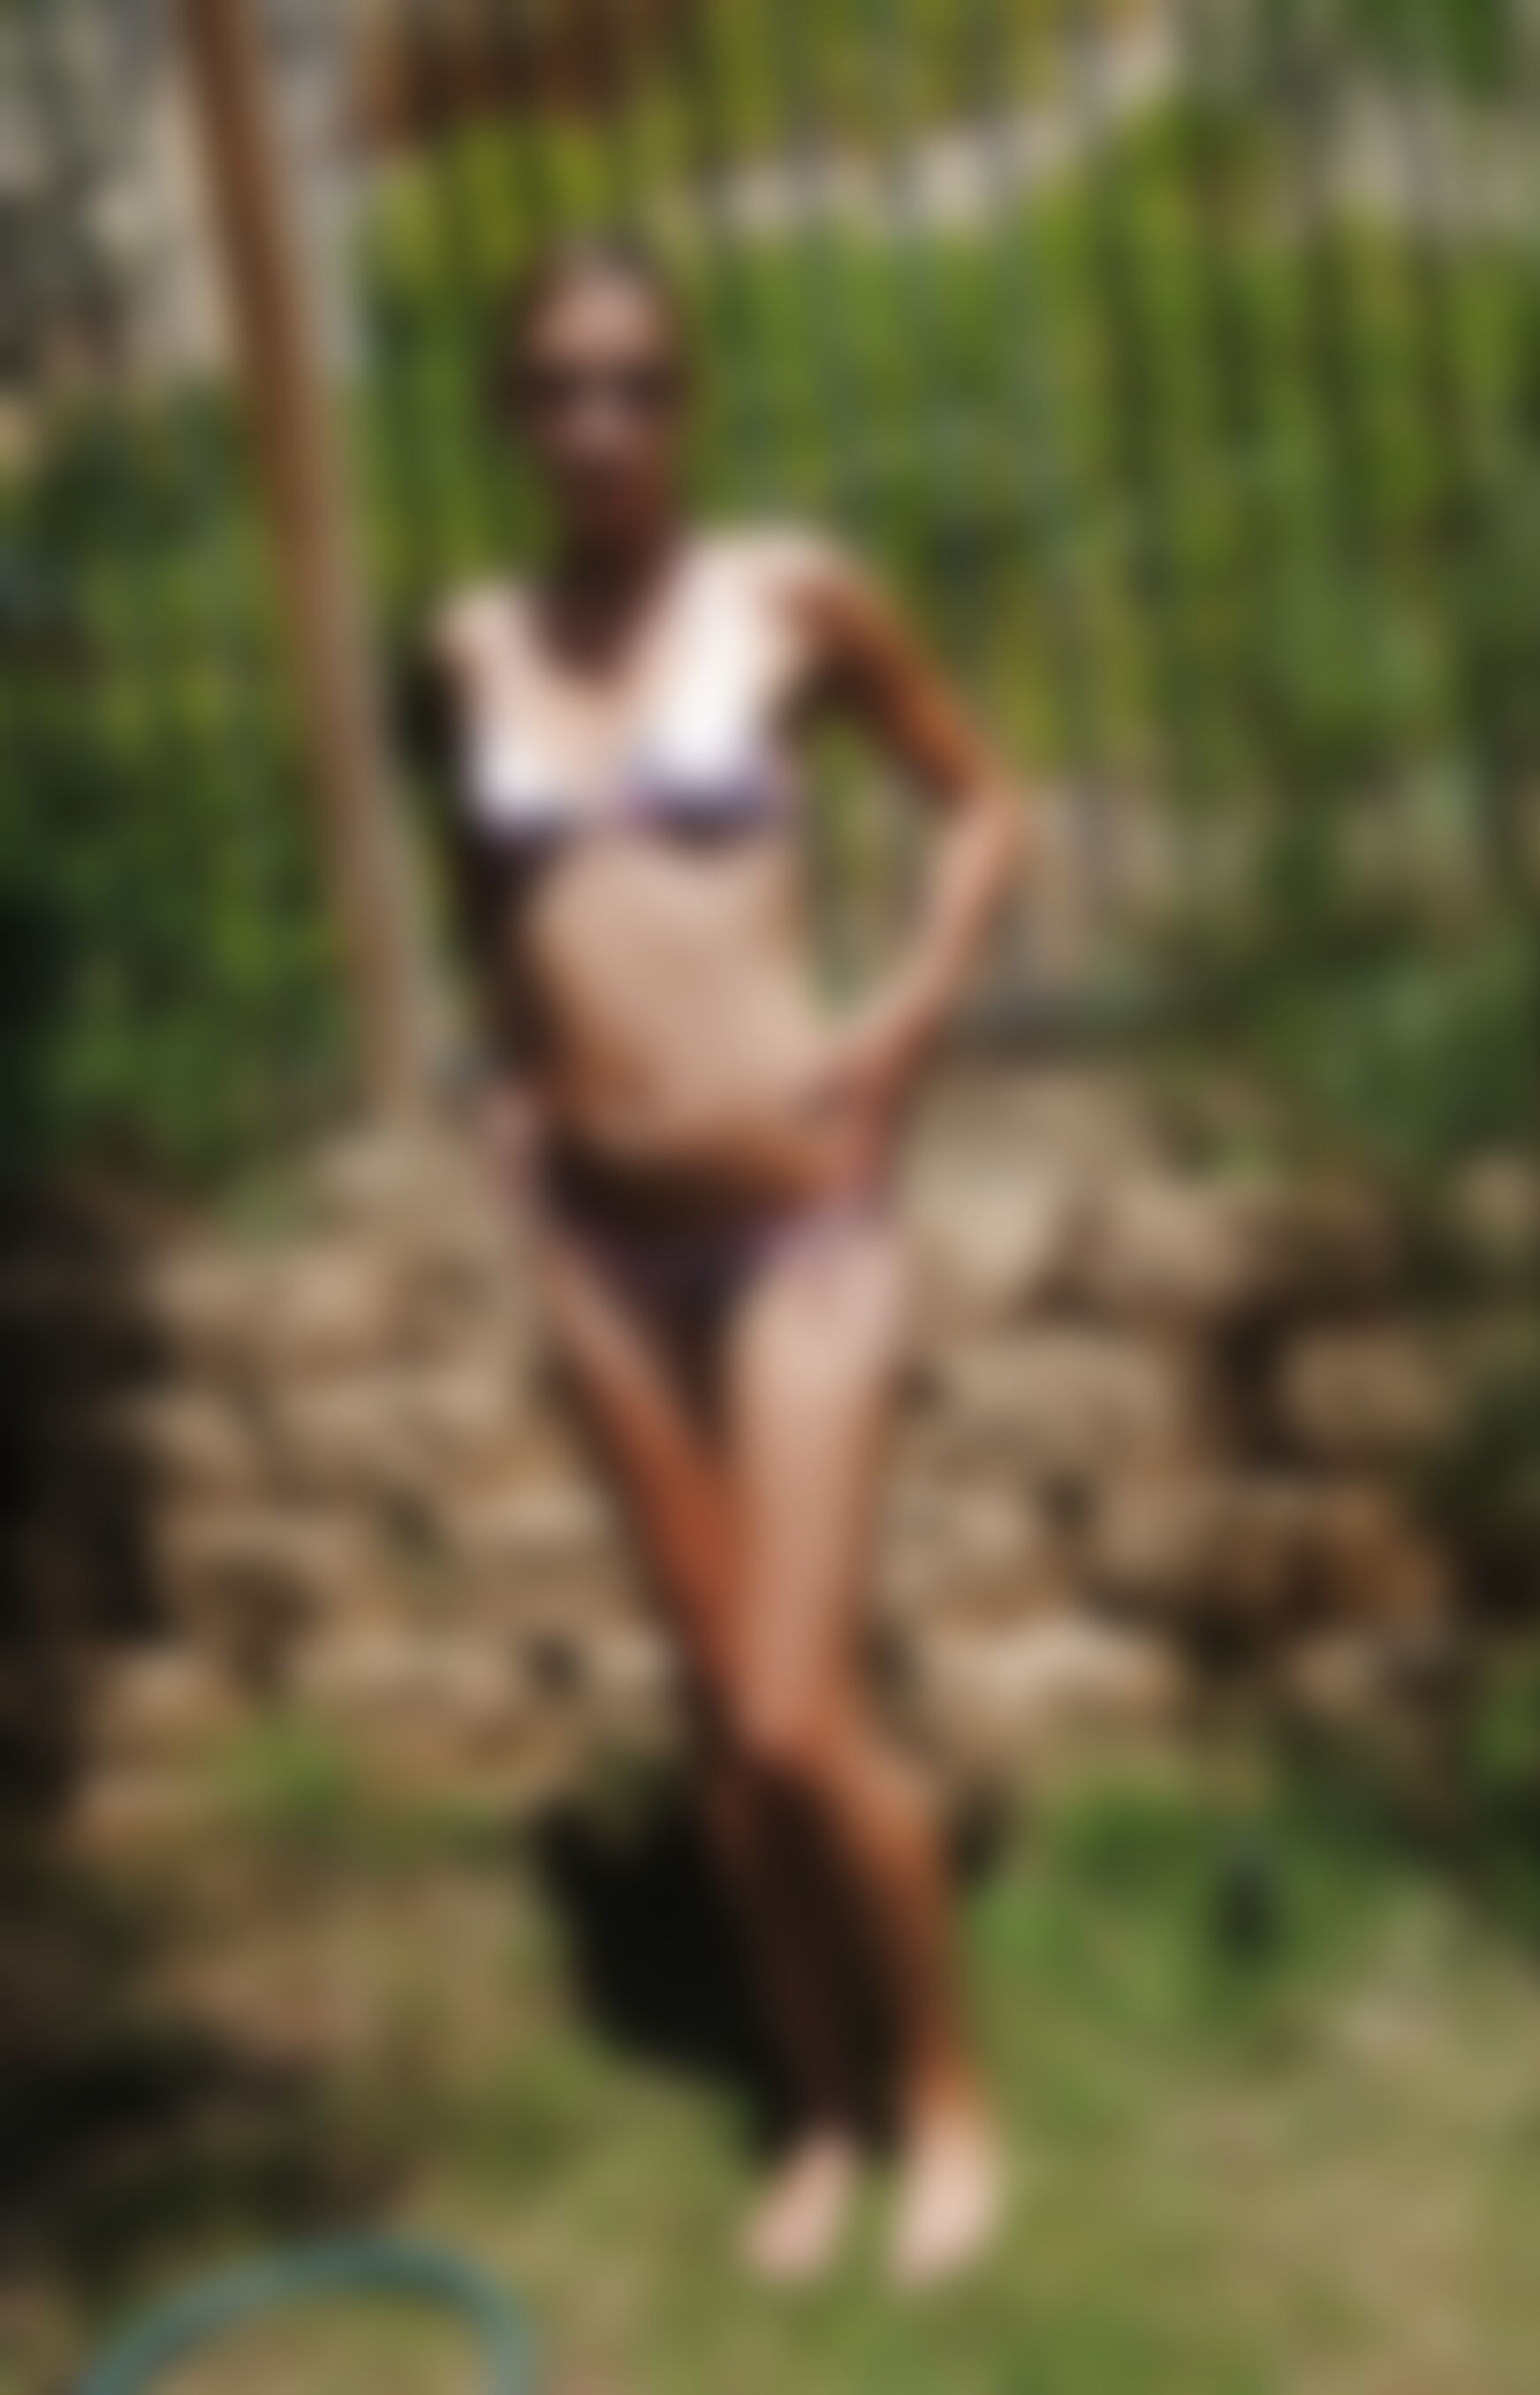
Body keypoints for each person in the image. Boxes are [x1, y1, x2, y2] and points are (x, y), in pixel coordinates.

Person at [419, 234, 1024, 2286]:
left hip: (796, 1224)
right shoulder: (470, 642)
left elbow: (978, 803)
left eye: (636, 382)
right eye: (559, 386)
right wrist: (512, 1074)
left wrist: (911, 1013)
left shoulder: (786, 598)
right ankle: (817, 2108)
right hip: (597, 1248)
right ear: (511, 412)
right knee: (707, 1711)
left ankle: (948, 2093)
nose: (600, 422)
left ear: (682, 401)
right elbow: (485, 886)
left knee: (790, 1716)